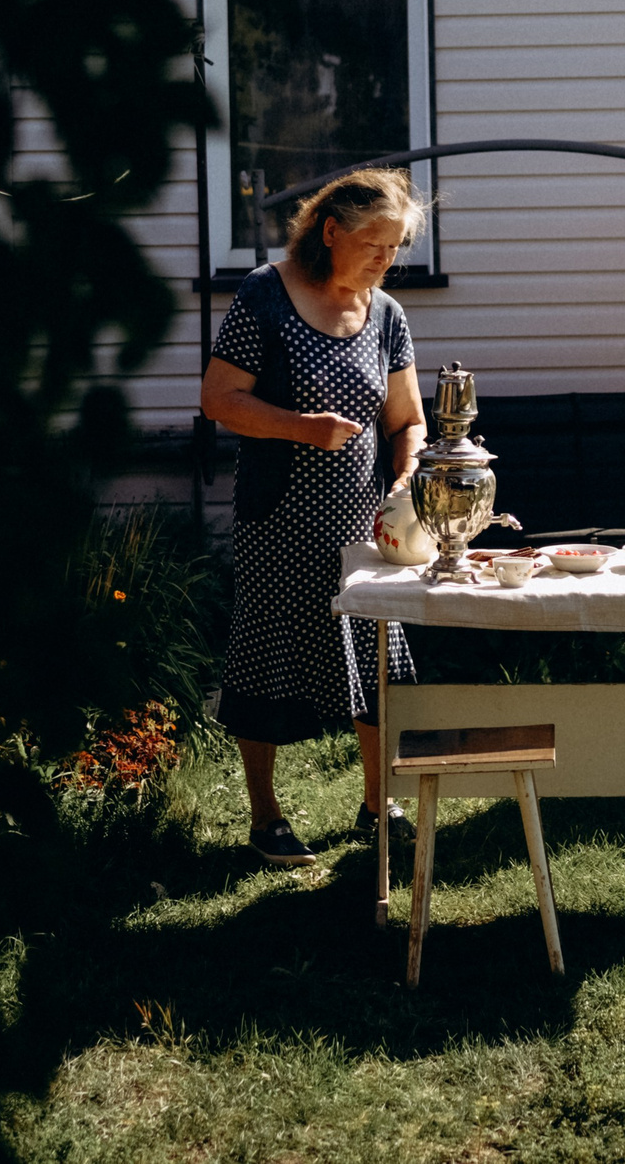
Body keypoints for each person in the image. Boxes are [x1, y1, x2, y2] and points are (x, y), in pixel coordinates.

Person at [200, 168, 430, 866]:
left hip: (364, 523)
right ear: (331, 232)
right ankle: (265, 816)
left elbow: (407, 419)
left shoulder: (386, 314)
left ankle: (376, 801)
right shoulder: (265, 295)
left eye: (395, 249)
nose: (384, 261)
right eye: (374, 245)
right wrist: (300, 427)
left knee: (375, 654)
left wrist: (410, 469)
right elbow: (218, 398)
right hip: (279, 516)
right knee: (266, 656)